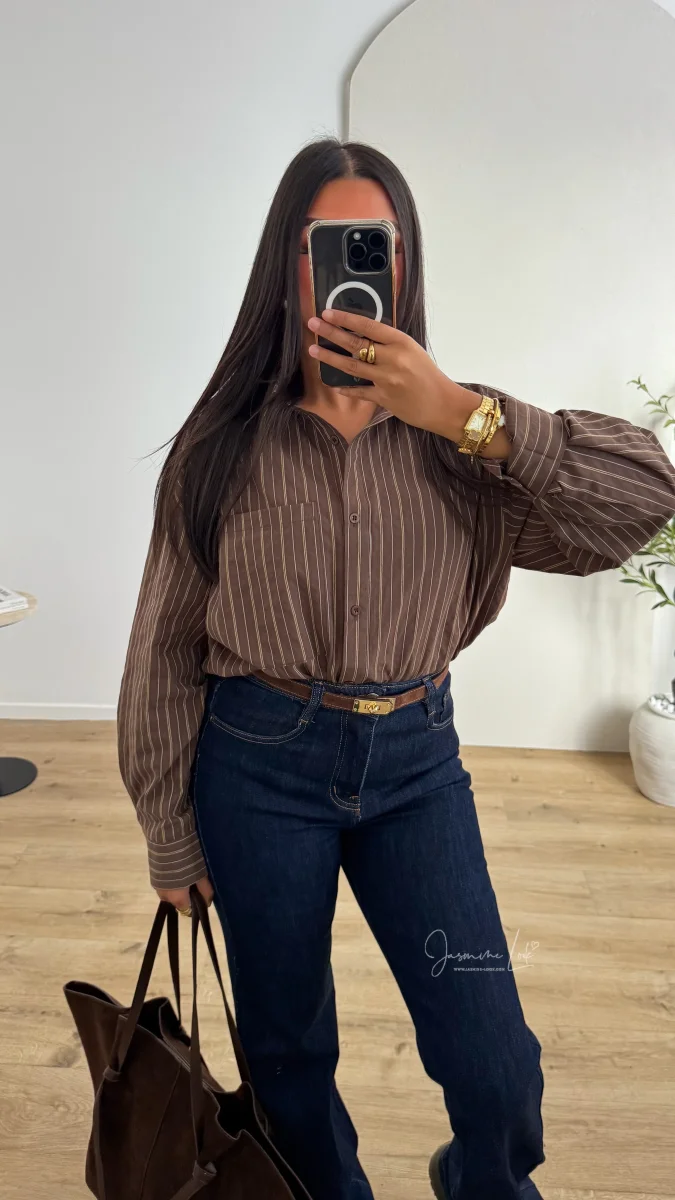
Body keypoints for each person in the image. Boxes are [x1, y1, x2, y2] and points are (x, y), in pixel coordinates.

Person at [116, 137, 675, 1200]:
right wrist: (165, 828)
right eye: (327, 243)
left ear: (407, 262)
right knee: (285, 1051)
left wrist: (465, 415)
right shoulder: (220, 449)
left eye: (378, 244)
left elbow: (645, 500)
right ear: (288, 265)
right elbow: (164, 643)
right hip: (257, 766)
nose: (355, 268)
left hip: (417, 768)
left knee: (492, 1059)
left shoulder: (465, 440)